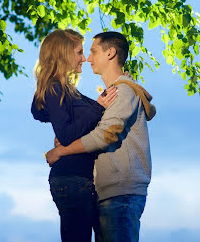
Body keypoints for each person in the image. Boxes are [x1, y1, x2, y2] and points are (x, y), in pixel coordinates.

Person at [46, 31, 156, 242]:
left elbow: (104, 135)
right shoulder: (114, 94)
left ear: (110, 53)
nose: (87, 58)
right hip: (108, 192)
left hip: (121, 192)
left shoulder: (122, 92)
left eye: (93, 51)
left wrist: (62, 150)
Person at [30, 29, 118, 242]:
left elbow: (61, 125)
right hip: (72, 179)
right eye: (79, 52)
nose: (84, 59)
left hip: (81, 180)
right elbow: (67, 133)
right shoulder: (54, 87)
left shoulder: (66, 90)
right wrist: (97, 107)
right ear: (63, 54)